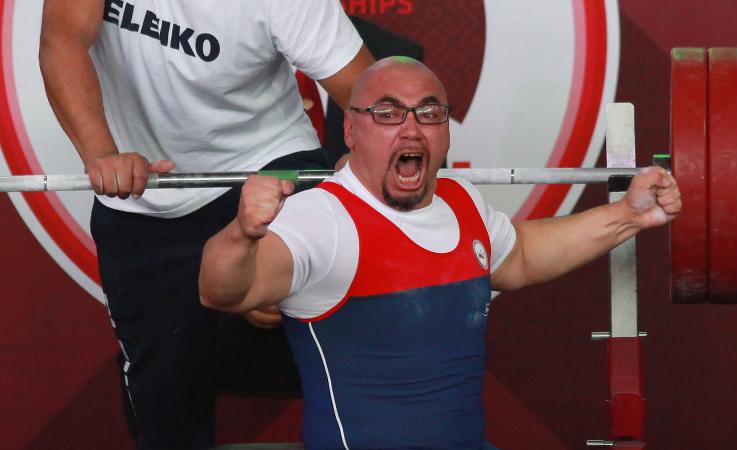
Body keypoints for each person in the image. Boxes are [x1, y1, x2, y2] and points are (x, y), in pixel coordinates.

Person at [199, 57, 682, 448]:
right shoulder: (322, 219)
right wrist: (242, 233)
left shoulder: (459, 198)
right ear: (351, 131)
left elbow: (523, 257)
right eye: (387, 113)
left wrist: (630, 217)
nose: (411, 130)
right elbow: (223, 290)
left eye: (429, 113)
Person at [38, 0, 374, 448]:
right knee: (167, 409)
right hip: (144, 195)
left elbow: (373, 92)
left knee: (358, 362)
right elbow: (62, 40)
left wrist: (367, 163)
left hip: (266, 168)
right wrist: (101, 153)